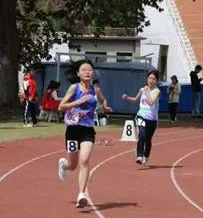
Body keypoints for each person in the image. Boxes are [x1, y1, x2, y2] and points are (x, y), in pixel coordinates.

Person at [57, 59, 113, 209]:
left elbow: (103, 100)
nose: (87, 72)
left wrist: (105, 107)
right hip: (73, 129)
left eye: (90, 70)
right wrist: (78, 101)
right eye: (84, 70)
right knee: (73, 165)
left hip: (88, 130)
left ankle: (81, 194)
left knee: (85, 160)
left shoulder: (96, 90)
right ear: (78, 74)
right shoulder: (74, 88)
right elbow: (61, 107)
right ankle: (63, 165)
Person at [122, 70, 161, 166]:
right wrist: (127, 97)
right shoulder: (142, 89)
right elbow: (136, 99)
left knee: (148, 140)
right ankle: (139, 156)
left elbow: (151, 102)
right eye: (150, 78)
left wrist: (147, 91)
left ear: (156, 81)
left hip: (152, 119)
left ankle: (146, 156)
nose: (151, 80)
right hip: (141, 116)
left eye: (154, 79)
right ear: (147, 79)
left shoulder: (157, 91)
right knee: (142, 135)